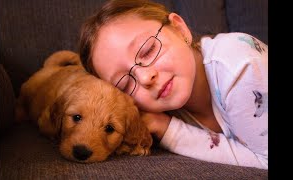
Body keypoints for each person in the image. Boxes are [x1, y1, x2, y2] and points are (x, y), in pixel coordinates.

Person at [78, 0, 268, 169]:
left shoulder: (239, 66)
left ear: (179, 29)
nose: (145, 78)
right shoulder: (158, 107)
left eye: (148, 50)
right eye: (126, 84)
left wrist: (169, 130)